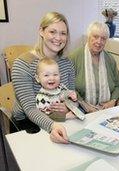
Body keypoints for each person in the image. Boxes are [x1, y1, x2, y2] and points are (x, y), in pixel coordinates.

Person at [11, 12, 75, 143]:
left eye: (63, 33)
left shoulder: (67, 63)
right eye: (53, 31)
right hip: (27, 123)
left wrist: (68, 106)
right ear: (41, 31)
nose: (58, 37)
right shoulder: (22, 64)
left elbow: (72, 96)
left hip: (58, 118)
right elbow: (29, 109)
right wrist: (52, 125)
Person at [69, 21, 119, 110]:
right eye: (95, 36)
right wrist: (85, 106)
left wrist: (112, 101)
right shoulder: (73, 58)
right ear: (88, 37)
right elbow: (69, 88)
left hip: (107, 109)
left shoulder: (110, 59)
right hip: (80, 108)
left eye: (103, 38)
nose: (99, 41)